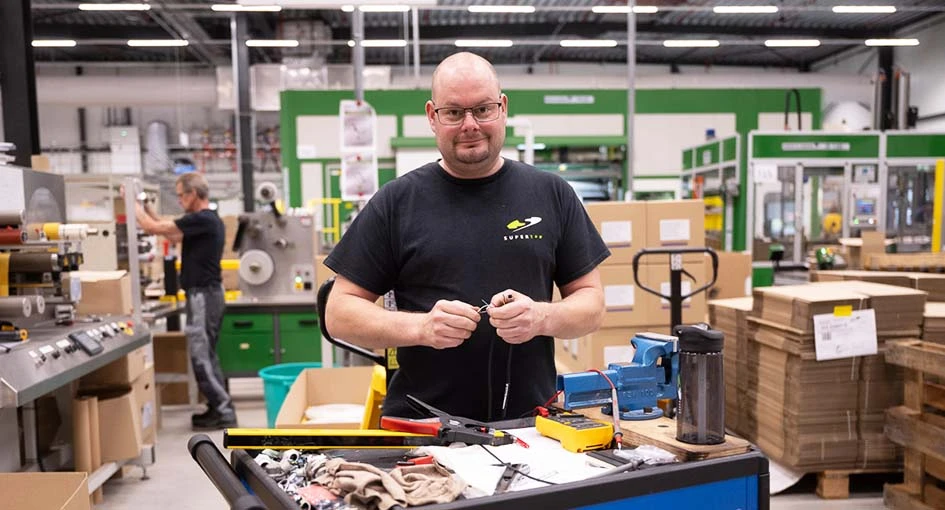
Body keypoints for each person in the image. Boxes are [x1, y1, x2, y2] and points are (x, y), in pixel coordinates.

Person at [325, 52, 610, 423]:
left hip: (531, 427)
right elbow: (339, 313)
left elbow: (592, 304)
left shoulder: (551, 194)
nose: (470, 125)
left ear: (503, 108)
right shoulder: (397, 202)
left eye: (483, 109)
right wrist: (422, 327)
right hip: (423, 428)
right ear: (432, 116)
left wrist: (540, 317)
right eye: (454, 112)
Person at [132, 172, 237, 430]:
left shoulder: (203, 219)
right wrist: (146, 208)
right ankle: (216, 407)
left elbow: (153, 228)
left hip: (204, 296)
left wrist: (131, 202)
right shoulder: (203, 221)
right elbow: (171, 233)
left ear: (193, 194)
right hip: (203, 295)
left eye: (181, 195)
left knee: (201, 355)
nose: (179, 200)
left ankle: (224, 411)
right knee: (205, 354)